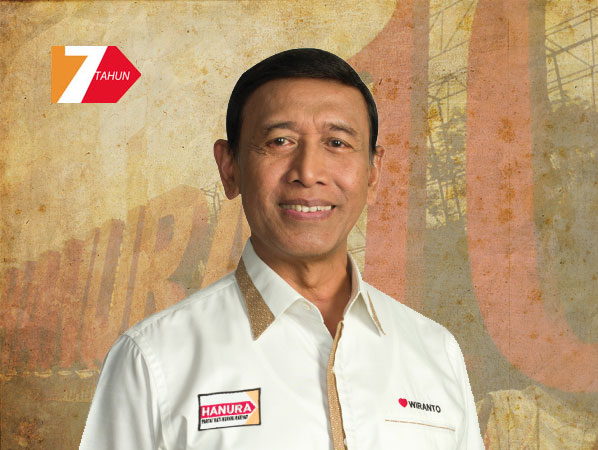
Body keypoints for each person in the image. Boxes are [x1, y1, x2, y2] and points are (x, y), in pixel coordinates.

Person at [79, 48, 484, 449]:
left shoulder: (436, 351)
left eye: (337, 142)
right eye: (279, 141)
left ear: (373, 172)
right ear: (229, 167)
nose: (308, 172)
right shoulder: (152, 359)